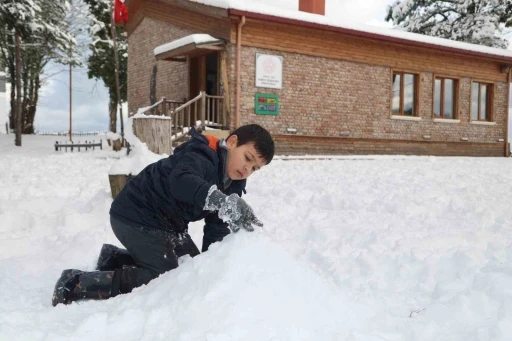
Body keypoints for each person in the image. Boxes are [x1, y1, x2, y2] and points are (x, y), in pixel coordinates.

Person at [52, 124, 275, 306]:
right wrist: (222, 201)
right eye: (247, 158)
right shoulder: (202, 154)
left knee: (190, 269)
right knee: (166, 277)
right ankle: (76, 284)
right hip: (136, 214)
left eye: (255, 168)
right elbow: (181, 181)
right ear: (233, 142)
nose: (247, 169)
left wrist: (212, 265)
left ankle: (114, 259)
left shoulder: (233, 183)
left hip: (167, 226)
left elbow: (216, 226)